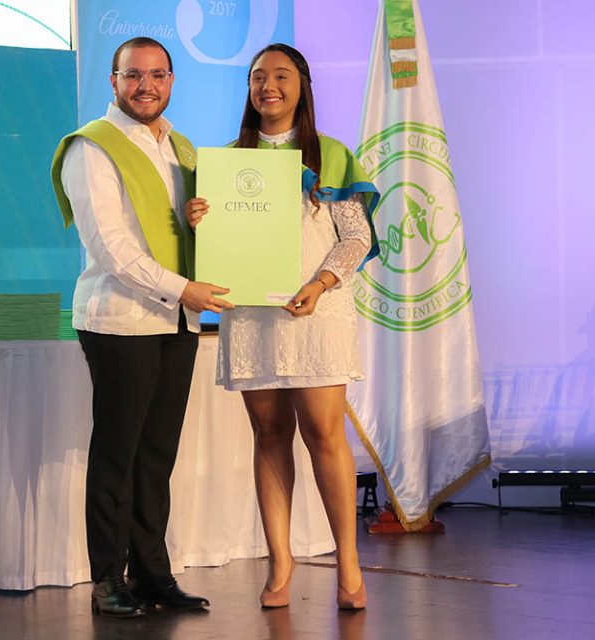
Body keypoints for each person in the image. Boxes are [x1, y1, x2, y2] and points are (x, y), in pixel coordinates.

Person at [185, 43, 378, 611]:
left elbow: (357, 238)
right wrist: (196, 221)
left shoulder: (331, 155)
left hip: (315, 311)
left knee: (324, 434)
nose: (268, 86)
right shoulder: (225, 162)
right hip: (254, 316)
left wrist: (321, 283)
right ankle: (280, 561)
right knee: (268, 435)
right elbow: (212, 245)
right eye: (257, 77)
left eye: (281, 76)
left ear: (302, 86)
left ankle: (348, 562)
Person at [50, 37, 232, 618]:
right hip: (120, 318)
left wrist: (203, 222)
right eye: (133, 75)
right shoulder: (92, 147)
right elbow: (110, 247)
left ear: (172, 80)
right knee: (118, 453)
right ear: (114, 80)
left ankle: (152, 575)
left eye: (157, 75)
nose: (145, 86)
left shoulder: (181, 147)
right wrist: (184, 289)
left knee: (157, 454)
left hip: (176, 317)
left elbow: (181, 230)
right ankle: (108, 578)